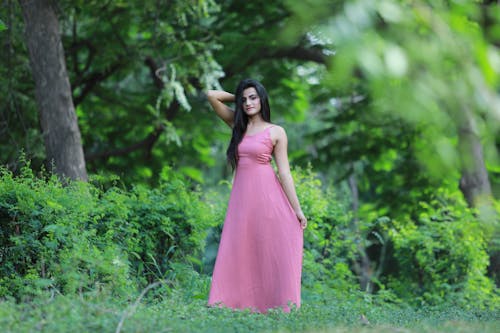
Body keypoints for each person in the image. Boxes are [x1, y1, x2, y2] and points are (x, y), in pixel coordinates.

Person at [206, 78, 307, 313]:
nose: (248, 103)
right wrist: (238, 95)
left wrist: (297, 209)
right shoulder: (237, 125)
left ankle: (276, 304)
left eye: (253, 97)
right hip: (242, 201)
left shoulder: (276, 132)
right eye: (244, 99)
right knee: (240, 246)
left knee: (269, 247)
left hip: (269, 199)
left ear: (262, 99)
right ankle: (235, 303)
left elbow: (284, 173)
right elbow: (212, 95)